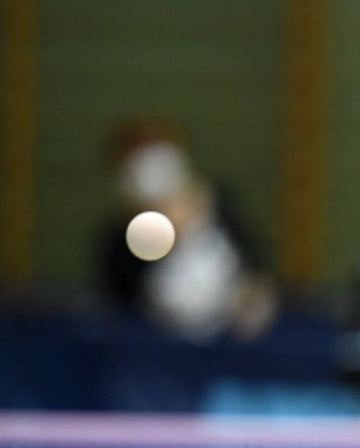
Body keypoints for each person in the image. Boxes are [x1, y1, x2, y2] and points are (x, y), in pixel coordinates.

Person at [97, 116, 278, 343]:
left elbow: (258, 265)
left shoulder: (219, 203)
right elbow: (120, 299)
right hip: (161, 348)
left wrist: (253, 296)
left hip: (235, 343)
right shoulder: (121, 239)